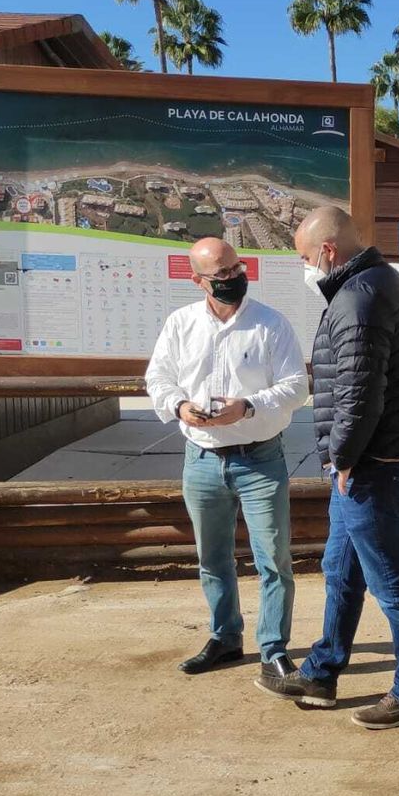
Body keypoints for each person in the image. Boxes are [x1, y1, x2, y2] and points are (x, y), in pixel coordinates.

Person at [258, 206, 399, 730]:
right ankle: (322, 671)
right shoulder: (370, 285)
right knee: (341, 572)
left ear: (327, 251)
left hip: (377, 463)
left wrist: (342, 457)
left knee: (391, 581)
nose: (304, 267)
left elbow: (360, 394)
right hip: (376, 458)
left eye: (303, 257)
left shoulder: (359, 298)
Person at [145, 237, 308, 679]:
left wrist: (248, 406)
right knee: (212, 556)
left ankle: (273, 647)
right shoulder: (180, 324)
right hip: (200, 457)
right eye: (222, 275)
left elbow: (297, 386)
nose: (235, 278)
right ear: (197, 280)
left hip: (259, 458)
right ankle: (225, 637)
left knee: (273, 557)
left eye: (237, 269)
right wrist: (179, 405)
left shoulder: (271, 324)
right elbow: (157, 376)